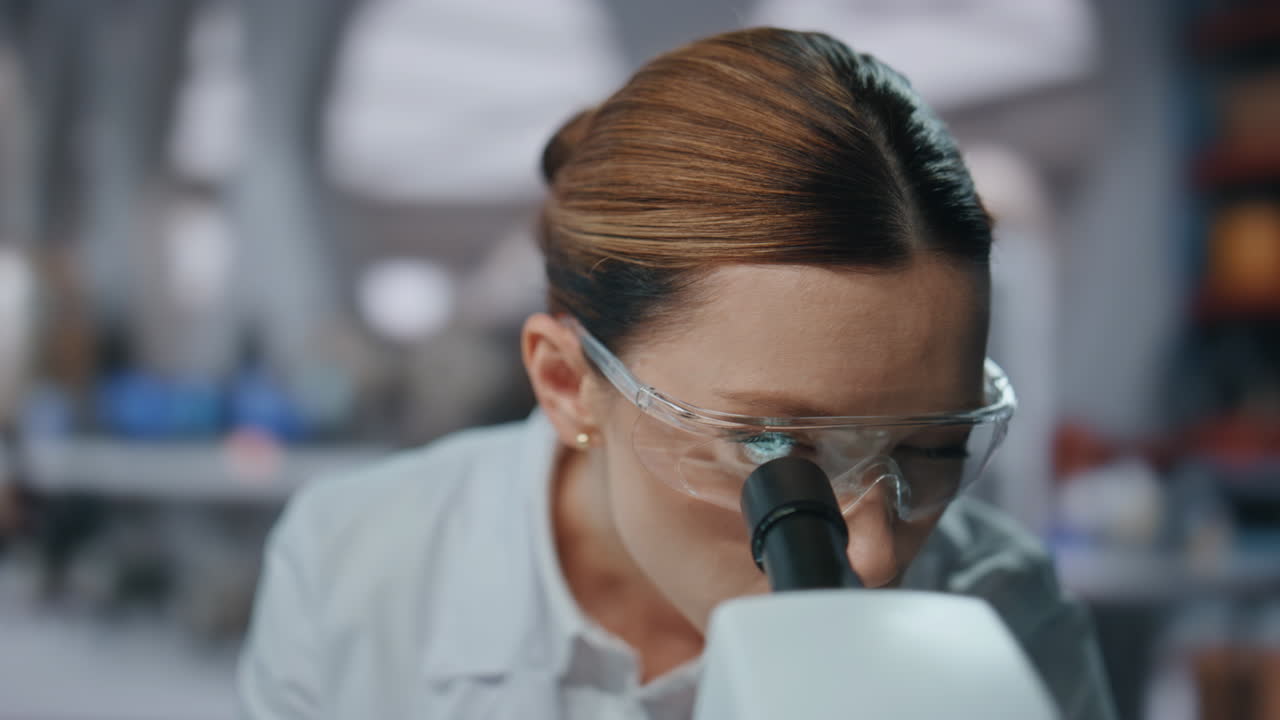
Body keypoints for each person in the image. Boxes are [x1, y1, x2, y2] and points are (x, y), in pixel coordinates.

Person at [238, 27, 1116, 720]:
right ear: (565, 383)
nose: (878, 557)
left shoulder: (1003, 610)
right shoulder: (354, 572)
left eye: (933, 449)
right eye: (774, 449)